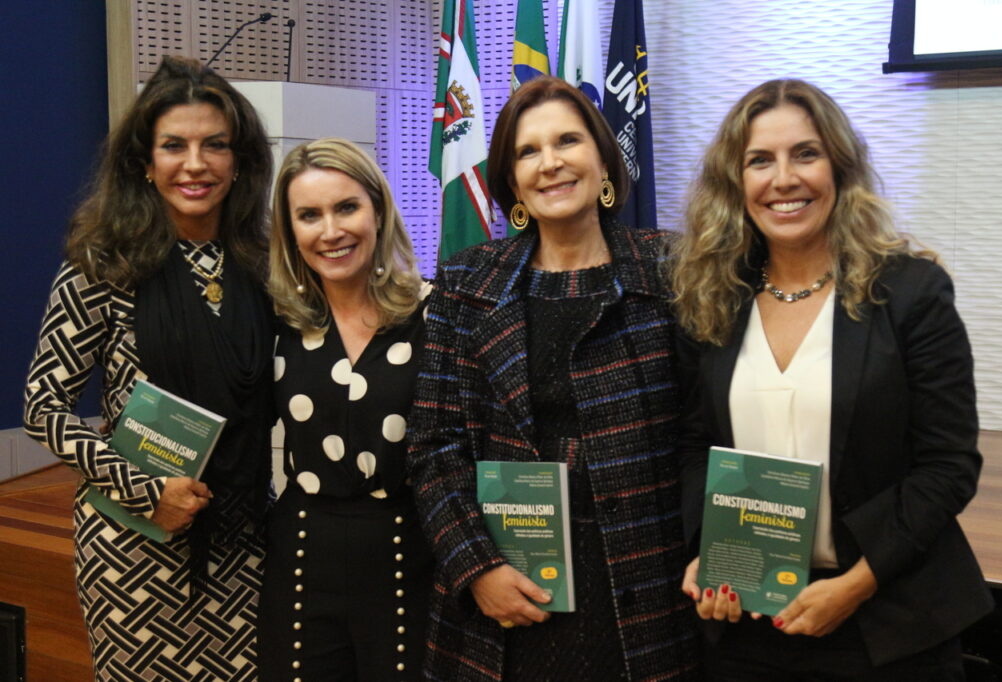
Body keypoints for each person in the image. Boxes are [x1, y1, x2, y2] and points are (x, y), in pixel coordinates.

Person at [671, 78, 994, 680]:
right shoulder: (713, 298)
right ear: (735, 182)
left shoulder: (910, 292)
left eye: (805, 154)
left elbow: (948, 466)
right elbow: (695, 446)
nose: (783, 179)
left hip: (888, 623)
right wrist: (708, 553)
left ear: (840, 168)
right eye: (759, 160)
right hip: (749, 623)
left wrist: (856, 583)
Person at [407, 75, 703, 681]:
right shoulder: (466, 283)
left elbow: (708, 428)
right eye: (527, 151)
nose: (550, 163)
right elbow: (433, 445)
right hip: (505, 591)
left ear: (603, 160)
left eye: (568, 141)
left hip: (648, 587)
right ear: (512, 181)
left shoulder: (674, 270)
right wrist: (476, 568)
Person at [23, 56, 275, 679]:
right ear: (144, 162)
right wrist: (143, 489)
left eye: (215, 144)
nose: (195, 164)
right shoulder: (103, 265)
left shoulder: (269, 265)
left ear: (239, 160)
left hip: (248, 539)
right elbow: (43, 409)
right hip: (136, 543)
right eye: (173, 146)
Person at [258, 138, 433, 680]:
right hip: (301, 556)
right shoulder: (275, 324)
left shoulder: (437, 316)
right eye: (309, 215)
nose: (330, 231)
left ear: (378, 211)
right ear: (290, 231)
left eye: (347, 207)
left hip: (412, 556)